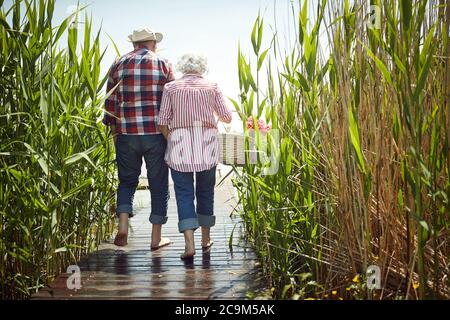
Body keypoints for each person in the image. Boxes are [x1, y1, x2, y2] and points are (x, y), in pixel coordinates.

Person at [103, 27, 174, 249]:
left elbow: (110, 100)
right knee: (159, 184)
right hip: (156, 134)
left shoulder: (118, 63)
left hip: (126, 134)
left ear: (134, 44)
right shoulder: (164, 63)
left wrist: (114, 131)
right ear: (152, 43)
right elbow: (172, 99)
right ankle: (156, 238)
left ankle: (122, 227)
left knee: (126, 181)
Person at [158, 53, 232, 259]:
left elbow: (162, 121)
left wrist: (170, 137)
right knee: (206, 192)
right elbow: (227, 117)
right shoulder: (212, 86)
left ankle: (189, 245)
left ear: (183, 67)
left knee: (183, 194)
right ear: (202, 68)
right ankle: (205, 239)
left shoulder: (170, 88)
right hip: (206, 147)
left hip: (178, 147)